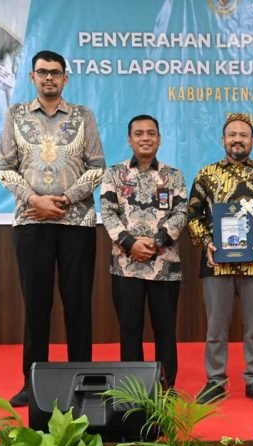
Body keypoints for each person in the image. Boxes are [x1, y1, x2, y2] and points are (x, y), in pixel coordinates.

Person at [0, 50, 105, 406]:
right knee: (36, 305)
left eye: (55, 73)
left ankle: (84, 380)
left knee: (78, 304)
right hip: (31, 223)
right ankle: (32, 383)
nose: (48, 78)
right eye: (42, 72)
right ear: (32, 77)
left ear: (65, 79)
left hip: (76, 223)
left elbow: (97, 166)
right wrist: (34, 201)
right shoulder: (15, 116)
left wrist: (65, 199)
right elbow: (5, 168)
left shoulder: (83, 116)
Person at [187, 113, 253, 404]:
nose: (237, 139)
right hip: (216, 263)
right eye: (232, 134)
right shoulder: (206, 174)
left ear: (252, 140)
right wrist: (206, 242)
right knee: (216, 328)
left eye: (243, 135)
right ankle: (215, 381)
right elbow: (192, 216)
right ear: (223, 140)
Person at [100, 115, 187, 387]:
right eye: (139, 133)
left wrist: (156, 242)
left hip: (165, 266)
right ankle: (132, 389)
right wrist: (130, 244)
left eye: (151, 133)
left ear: (159, 138)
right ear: (130, 139)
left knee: (165, 332)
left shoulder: (173, 175)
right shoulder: (114, 173)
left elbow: (181, 212)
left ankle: (166, 387)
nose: (145, 138)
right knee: (130, 332)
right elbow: (108, 212)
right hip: (126, 267)